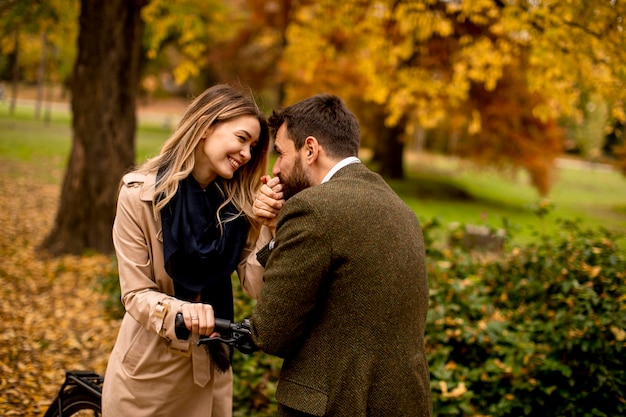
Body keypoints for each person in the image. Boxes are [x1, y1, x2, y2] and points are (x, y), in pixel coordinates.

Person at [249, 94, 432, 416]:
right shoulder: (401, 210)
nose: (275, 168)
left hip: (333, 405)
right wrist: (279, 228)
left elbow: (271, 333)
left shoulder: (312, 209)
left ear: (310, 149)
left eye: (280, 153)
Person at [101, 84, 270, 417]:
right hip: (150, 377)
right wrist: (179, 311)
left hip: (212, 373)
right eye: (241, 138)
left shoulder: (238, 208)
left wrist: (270, 227)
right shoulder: (140, 196)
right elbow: (135, 293)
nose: (248, 155)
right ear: (206, 126)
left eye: (254, 146)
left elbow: (255, 285)